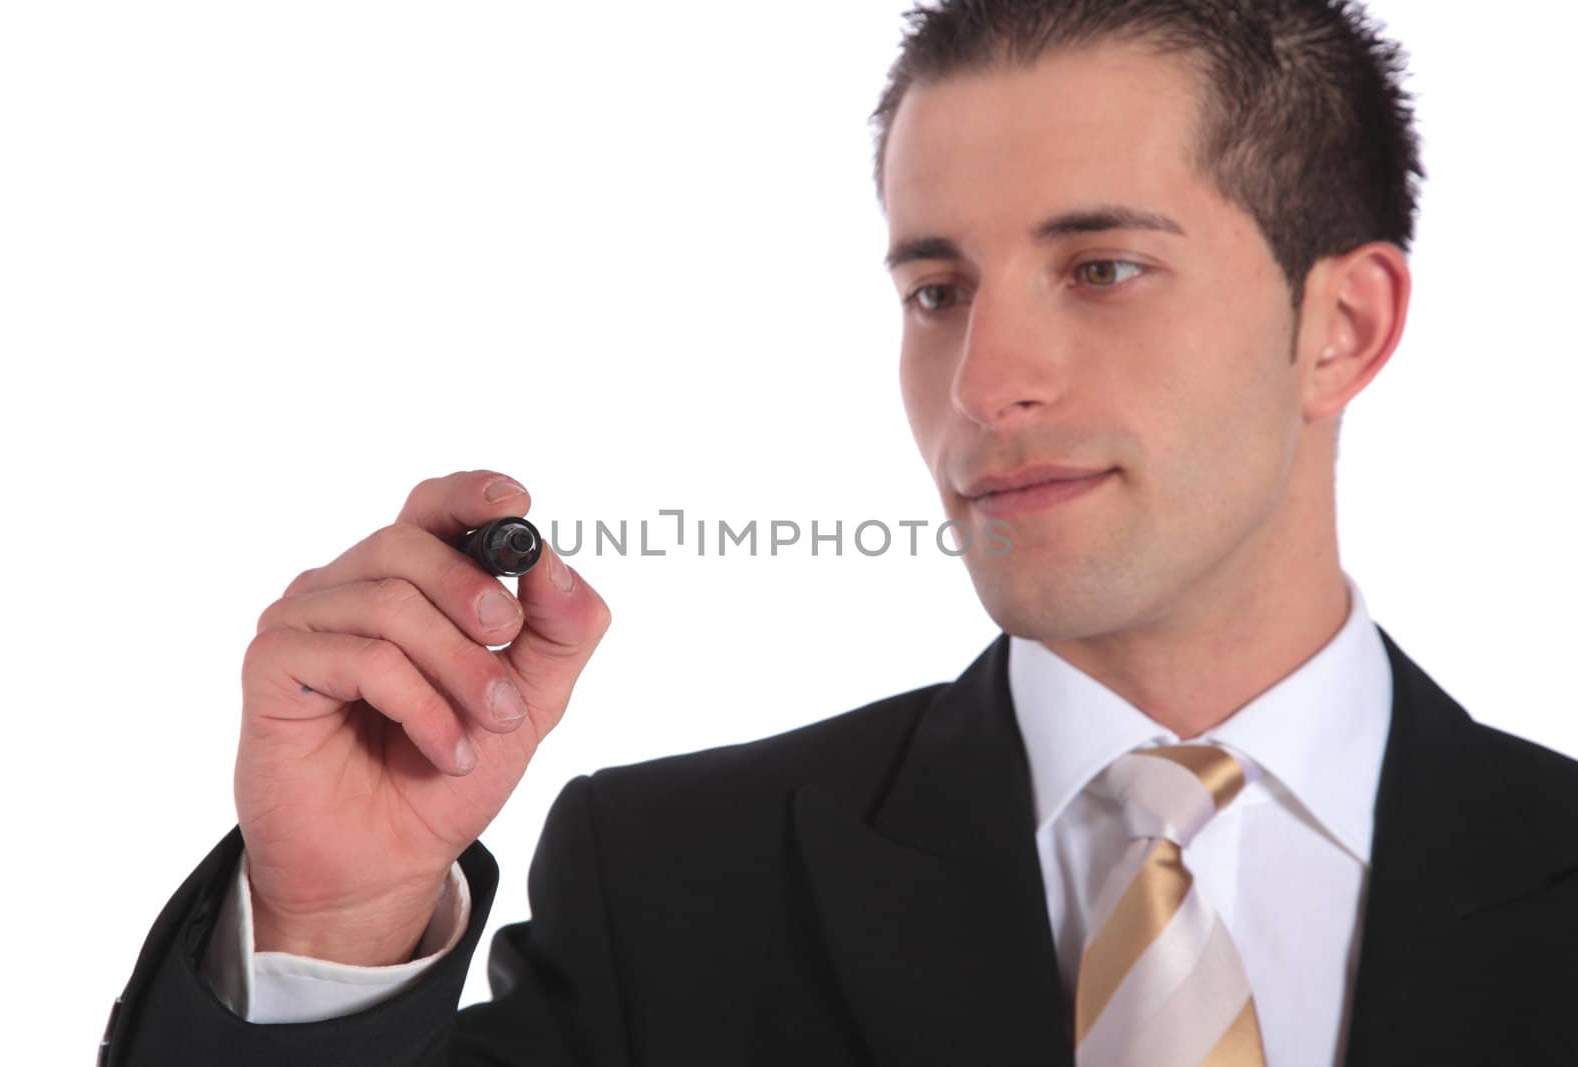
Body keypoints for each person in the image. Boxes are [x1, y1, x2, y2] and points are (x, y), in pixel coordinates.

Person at [100, 1, 1578, 1064]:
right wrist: (335, 923)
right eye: (938, 290)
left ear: (1345, 325)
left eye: (1105, 267)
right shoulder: (674, 890)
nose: (987, 383)